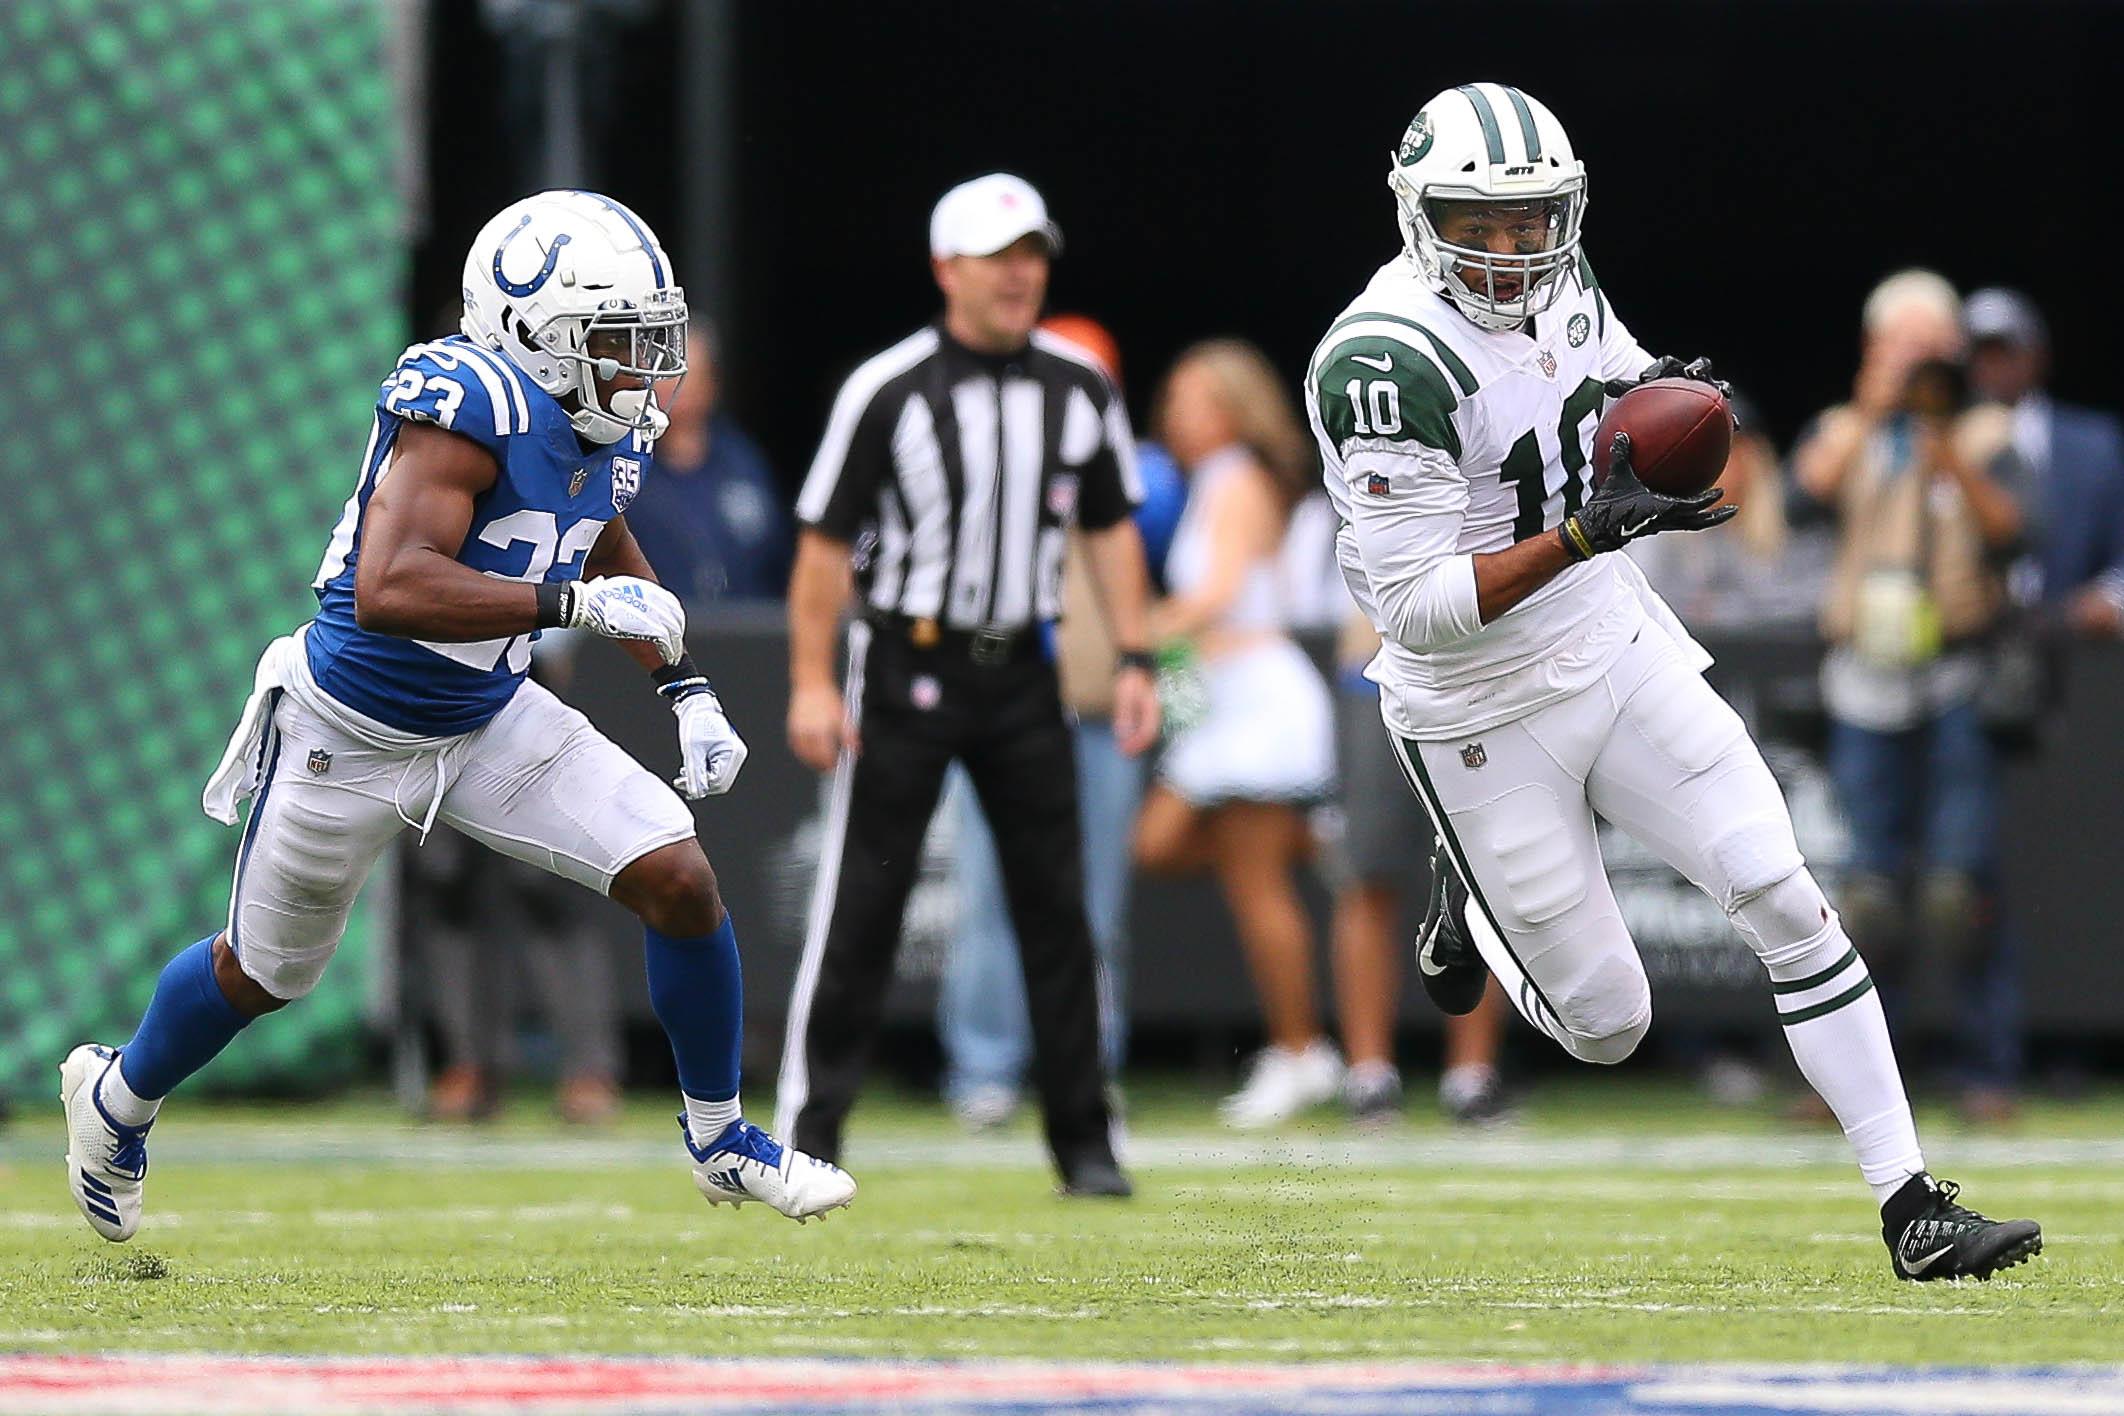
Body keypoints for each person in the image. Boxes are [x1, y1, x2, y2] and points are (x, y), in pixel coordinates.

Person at [1313, 84, 2038, 1280]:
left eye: (1530, 217)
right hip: (1479, 704)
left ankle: (1911, 1204)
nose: (1508, 249)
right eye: (1477, 222)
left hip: (1611, 640)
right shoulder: (1382, 361)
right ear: (1415, 213)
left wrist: (1667, 402)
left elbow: (1615, 384)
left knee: (1784, 891)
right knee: (1608, 1026)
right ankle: (1476, 906)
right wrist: (1583, 537)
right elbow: (1417, 614)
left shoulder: (1568, 278)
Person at [59, 191, 854, 1243]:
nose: (643, 366)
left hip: (487, 713)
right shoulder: (466, 402)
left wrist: (683, 683)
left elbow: (593, 527)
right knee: (262, 973)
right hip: (352, 727)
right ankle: (115, 1101)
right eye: (615, 341)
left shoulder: (596, 420)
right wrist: (567, 607)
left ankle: (719, 1139)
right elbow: (390, 586)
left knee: (678, 873)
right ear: (535, 335)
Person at [778, 174, 1159, 1197]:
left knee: (1059, 914)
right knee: (863, 905)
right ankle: (811, 1135)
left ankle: (1084, 1143)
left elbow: (1111, 524)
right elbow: (822, 548)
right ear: (949, 269)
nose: (1021, 275)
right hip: (908, 664)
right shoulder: (890, 387)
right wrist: (813, 683)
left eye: (1034, 255)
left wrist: (1134, 657)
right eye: (1000, 257)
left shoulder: (1079, 385)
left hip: (1024, 670)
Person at [936, 314, 1186, 1131]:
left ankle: (1084, 1066)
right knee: (989, 896)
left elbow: (1146, 519)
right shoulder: (982, 452)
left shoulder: (1139, 469)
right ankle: (985, 1068)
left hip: (1090, 705)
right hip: (996, 702)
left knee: (1092, 903)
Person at [1794, 271, 2026, 1112]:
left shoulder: (1988, 430)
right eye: (1906, 346)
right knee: (1864, 892)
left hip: (1957, 671)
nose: (1923, 364)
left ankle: (1985, 1066)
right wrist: (1872, 405)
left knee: (1958, 888)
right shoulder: (1845, 429)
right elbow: (1801, 499)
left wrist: (1946, 452)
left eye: (1936, 348)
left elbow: (2017, 530)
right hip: (1865, 678)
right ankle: (1854, 1081)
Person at [1132, 339, 1340, 1130]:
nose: (1176, 417)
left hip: (1255, 700)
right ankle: (1324, 843)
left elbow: (1217, 593)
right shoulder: (1212, 482)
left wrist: (1135, 632)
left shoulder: (1235, 477)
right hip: (1220, 704)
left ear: (1231, 408)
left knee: (1256, 885)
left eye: (1194, 401)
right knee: (1165, 849)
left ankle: (1299, 1051)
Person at [1327, 608, 1512, 1128]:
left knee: (1482, 879)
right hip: (1381, 663)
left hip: (1487, 668)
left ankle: (1473, 1076)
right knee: (1368, 876)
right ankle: (1368, 1075)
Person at [1962, 287, 2124, 638]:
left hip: (2069, 642)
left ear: (2037, 355)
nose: (1992, 367)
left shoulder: (2095, 444)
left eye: (2004, 352)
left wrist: (2114, 596)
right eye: (1980, 355)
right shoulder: (1943, 441)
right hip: (1969, 641)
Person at [623, 324, 792, 603]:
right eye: (665, 371)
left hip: (749, 633)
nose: (675, 385)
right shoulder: (623, 466)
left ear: (712, 383)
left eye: (687, 374)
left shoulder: (744, 463)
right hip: (655, 632)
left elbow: (779, 557)